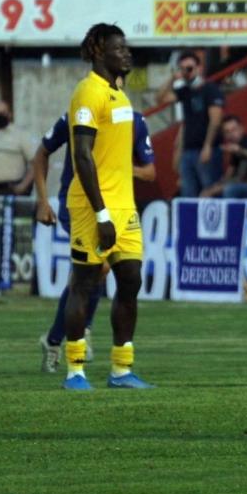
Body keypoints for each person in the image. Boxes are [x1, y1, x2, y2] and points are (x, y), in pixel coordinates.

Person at [62, 23, 154, 390]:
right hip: (91, 205)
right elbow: (82, 156)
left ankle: (121, 369)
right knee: (84, 285)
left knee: (131, 280)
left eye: (127, 48)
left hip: (124, 205)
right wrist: (101, 214)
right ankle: (75, 370)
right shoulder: (88, 92)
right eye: (119, 49)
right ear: (100, 51)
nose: (127, 54)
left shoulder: (120, 95)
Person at [34, 109, 155, 373]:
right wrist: (43, 201)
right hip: (75, 203)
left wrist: (120, 166)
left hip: (115, 207)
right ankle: (77, 332)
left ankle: (55, 339)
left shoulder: (134, 121)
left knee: (97, 271)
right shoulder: (78, 115)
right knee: (96, 269)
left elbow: (149, 172)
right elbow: (41, 153)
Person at [156, 51, 225, 198]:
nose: (187, 72)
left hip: (206, 149)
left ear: (199, 68)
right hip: (188, 150)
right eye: (183, 68)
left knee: (209, 192)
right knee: (188, 194)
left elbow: (216, 120)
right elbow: (160, 98)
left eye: (190, 68)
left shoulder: (210, 89)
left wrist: (207, 146)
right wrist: (172, 78)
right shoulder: (185, 91)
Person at [0, 101, 36, 195]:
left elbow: (36, 164)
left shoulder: (20, 135)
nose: (0, 116)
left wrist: (23, 186)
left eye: (3, 112)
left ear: (10, 114)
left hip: (12, 191)